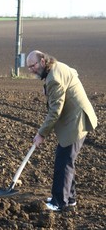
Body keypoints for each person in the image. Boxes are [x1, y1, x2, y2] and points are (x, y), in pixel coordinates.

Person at [26, 50, 97, 211]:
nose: (31, 70)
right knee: (65, 160)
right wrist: (49, 91)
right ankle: (69, 198)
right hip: (77, 118)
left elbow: (55, 112)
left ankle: (59, 202)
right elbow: (73, 72)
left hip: (76, 122)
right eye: (29, 67)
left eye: (33, 65)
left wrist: (41, 134)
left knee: (63, 163)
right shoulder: (58, 66)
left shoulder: (53, 79)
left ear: (43, 61)